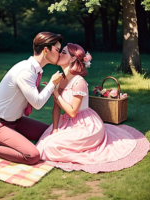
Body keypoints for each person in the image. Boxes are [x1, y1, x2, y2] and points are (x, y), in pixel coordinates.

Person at [36, 43, 149, 173]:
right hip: (67, 122)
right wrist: (55, 128)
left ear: (73, 59)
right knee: (45, 142)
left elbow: (73, 112)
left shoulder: (79, 82)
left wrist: (55, 93)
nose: (59, 54)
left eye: (64, 52)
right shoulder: (60, 79)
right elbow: (56, 108)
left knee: (50, 146)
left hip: (85, 125)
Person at [0, 32, 64, 165]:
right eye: (57, 50)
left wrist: (53, 88)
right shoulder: (26, 71)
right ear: (45, 50)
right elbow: (37, 103)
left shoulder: (33, 69)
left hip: (15, 121)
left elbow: (35, 97)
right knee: (32, 156)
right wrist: (52, 83)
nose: (59, 54)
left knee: (50, 132)